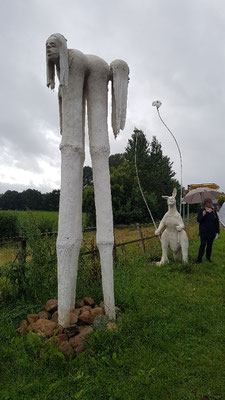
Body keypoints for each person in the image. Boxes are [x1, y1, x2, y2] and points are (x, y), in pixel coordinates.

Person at [196, 198, 220, 263]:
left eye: (211, 202)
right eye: (209, 202)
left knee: (210, 246)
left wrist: (217, 231)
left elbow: (216, 221)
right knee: (202, 245)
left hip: (212, 232)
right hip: (204, 232)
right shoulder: (202, 210)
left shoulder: (213, 211)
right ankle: (199, 259)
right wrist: (203, 215)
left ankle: (208, 258)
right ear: (205, 203)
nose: (210, 204)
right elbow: (198, 220)